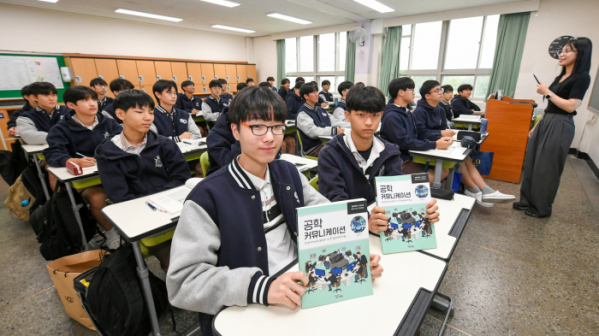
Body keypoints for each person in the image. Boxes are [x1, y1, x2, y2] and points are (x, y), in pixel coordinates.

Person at [166, 86, 384, 336]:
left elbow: (326, 212)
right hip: (248, 307)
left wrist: (358, 251)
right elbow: (183, 283)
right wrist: (261, 287)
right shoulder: (207, 197)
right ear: (236, 130)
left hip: (300, 286)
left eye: (277, 126)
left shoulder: (287, 172)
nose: (270, 137)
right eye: (257, 127)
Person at [318, 84, 440, 233]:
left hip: (381, 224)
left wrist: (421, 209)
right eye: (361, 115)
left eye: (374, 115)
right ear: (348, 116)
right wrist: (366, 221)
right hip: (348, 228)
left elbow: (397, 193)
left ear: (381, 116)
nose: (369, 122)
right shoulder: (330, 153)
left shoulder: (389, 151)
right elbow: (335, 200)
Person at [95, 90, 191, 270]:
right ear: (120, 114)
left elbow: (181, 176)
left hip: (175, 210)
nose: (148, 117)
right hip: (142, 217)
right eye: (140, 112)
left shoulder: (164, 143)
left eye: (151, 112)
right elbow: (119, 195)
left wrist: (165, 201)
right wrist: (155, 203)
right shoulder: (107, 152)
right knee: (175, 264)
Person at [515, 37, 593, 218]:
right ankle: (526, 200)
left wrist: (547, 93)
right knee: (532, 162)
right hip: (548, 120)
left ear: (580, 54)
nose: (562, 54)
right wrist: (538, 125)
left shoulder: (582, 77)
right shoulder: (562, 76)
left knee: (547, 168)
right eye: (562, 50)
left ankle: (541, 208)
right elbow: (551, 106)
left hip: (560, 123)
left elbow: (570, 106)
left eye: (568, 50)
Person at [43, 85, 122, 249]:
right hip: (84, 179)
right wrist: (71, 160)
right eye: (85, 100)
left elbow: (125, 140)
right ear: (71, 105)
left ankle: (129, 225)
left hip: (112, 172)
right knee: (98, 197)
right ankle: (111, 233)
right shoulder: (61, 128)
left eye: (93, 99)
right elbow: (52, 154)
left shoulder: (108, 122)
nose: (92, 103)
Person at [414, 80, 515, 206]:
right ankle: (477, 190)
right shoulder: (420, 111)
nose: (442, 93)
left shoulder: (439, 109)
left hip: (441, 144)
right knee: (460, 159)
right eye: (437, 91)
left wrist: (446, 134)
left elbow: (443, 127)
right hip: (429, 147)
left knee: (465, 157)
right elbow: (421, 132)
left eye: (441, 90)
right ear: (427, 96)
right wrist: (440, 134)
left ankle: (482, 190)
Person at [379, 77, 450, 183]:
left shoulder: (406, 112)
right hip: (398, 161)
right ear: (401, 92)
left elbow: (421, 132)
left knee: (444, 170)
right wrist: (434, 144)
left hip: (412, 156)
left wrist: (441, 138)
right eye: (411, 90)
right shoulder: (392, 116)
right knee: (436, 176)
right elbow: (404, 142)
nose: (414, 93)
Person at [296, 83, 344, 157]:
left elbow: (335, 122)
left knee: (348, 149)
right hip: (314, 148)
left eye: (317, 91)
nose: (317, 94)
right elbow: (313, 132)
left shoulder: (321, 110)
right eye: (313, 92)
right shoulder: (303, 114)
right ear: (306, 96)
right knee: (339, 154)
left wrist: (354, 125)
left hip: (328, 143)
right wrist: (334, 131)